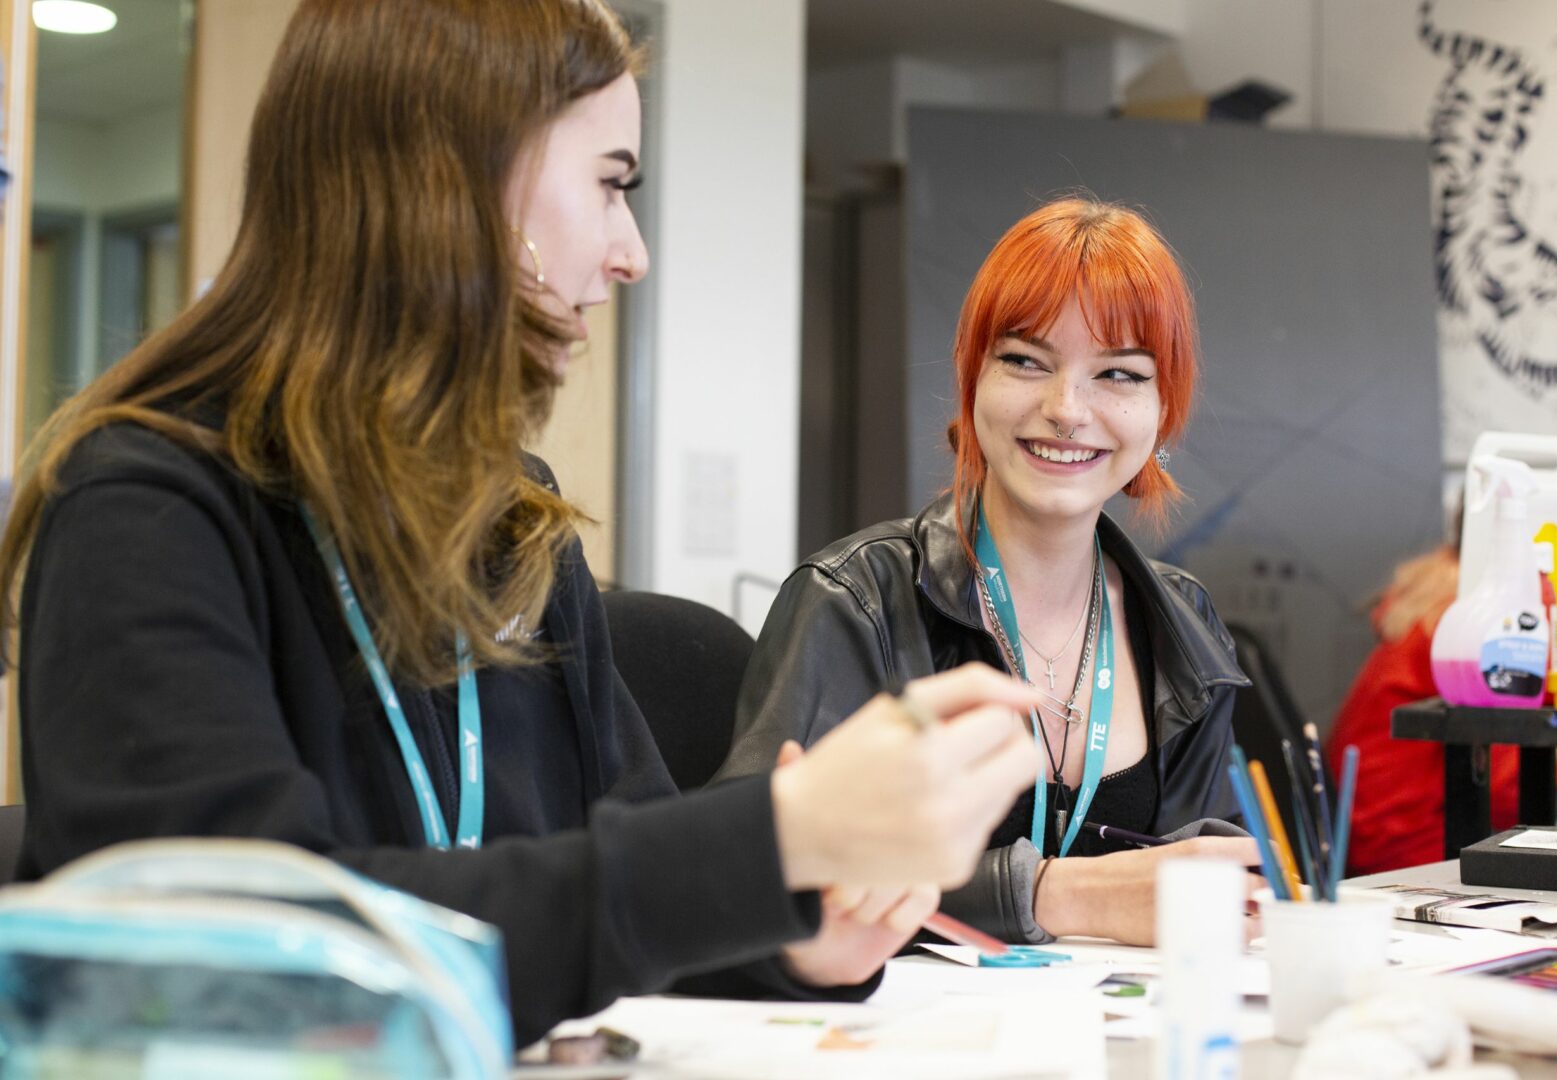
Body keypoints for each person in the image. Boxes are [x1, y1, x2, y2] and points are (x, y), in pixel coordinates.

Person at [0, 0, 1042, 1046]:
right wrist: (772, 840)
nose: (630, 253)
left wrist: (795, 934)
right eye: (611, 183)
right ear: (452, 182)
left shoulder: (510, 517)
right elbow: (240, 957)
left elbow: (613, 866)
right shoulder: (145, 506)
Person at [718, 198, 1259, 946]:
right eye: (1026, 362)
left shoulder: (1180, 620)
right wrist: (1052, 896)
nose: (1067, 408)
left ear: (1163, 412)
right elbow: (750, 881)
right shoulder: (854, 601)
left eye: (1120, 374)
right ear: (973, 380)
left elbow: (1212, 884)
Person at [1328, 541, 1557, 875]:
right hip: (1417, 842)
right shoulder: (1492, 621)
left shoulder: (1443, 596)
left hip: (1379, 830)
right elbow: (1509, 789)